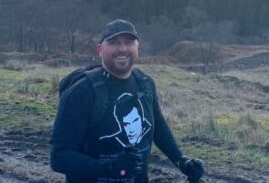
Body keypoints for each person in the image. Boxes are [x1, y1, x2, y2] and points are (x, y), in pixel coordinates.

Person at [50, 19, 204, 183]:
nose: (122, 48)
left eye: (128, 42)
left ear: (138, 47)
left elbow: (157, 127)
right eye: (114, 42)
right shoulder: (82, 92)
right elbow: (59, 157)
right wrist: (108, 168)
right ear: (100, 49)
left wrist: (182, 161)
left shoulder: (144, 83)